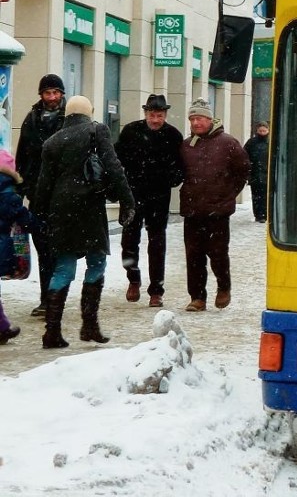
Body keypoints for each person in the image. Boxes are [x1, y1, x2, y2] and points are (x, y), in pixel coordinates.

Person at [33, 95, 135, 349]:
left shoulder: (52, 142)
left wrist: (40, 216)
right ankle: (89, 325)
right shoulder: (96, 130)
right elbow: (114, 167)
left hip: (61, 209)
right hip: (89, 207)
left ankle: (52, 331)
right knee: (96, 261)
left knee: (64, 268)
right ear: (89, 112)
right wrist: (127, 201)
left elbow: (43, 184)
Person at [179, 98, 250, 311]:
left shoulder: (228, 143)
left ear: (210, 119)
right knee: (194, 256)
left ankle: (223, 287)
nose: (195, 123)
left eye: (199, 118)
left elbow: (243, 170)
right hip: (192, 210)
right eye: (192, 119)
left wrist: (229, 195)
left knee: (218, 253)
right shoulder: (185, 145)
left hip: (217, 211)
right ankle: (198, 297)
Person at [115, 94, 184, 308]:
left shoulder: (173, 135)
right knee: (129, 241)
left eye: (160, 115)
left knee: (157, 243)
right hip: (133, 195)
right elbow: (117, 160)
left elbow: (180, 165)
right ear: (145, 114)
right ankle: (133, 279)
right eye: (152, 115)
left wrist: (173, 178)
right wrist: (119, 186)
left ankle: (156, 290)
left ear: (165, 115)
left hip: (159, 197)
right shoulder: (131, 131)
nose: (155, 120)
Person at [15, 73, 66, 317]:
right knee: (43, 247)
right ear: (41, 95)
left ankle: (56, 297)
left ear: (62, 94)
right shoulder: (32, 120)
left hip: (65, 194)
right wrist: (23, 185)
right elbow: (22, 155)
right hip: (38, 194)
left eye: (56, 93)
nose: (52, 97)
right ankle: (47, 298)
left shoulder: (70, 119)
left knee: (60, 249)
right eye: (48, 93)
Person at [0, 150, 37, 344]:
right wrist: (41, 227)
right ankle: (2, 328)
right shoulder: (8, 194)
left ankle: (3, 327)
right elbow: (22, 216)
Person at [243, 121, 269, 223]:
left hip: (267, 174)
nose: (262, 132)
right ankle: (259, 215)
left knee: (267, 196)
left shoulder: (271, 142)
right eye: (260, 131)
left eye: (264, 130)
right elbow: (244, 156)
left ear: (268, 130)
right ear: (257, 131)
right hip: (255, 174)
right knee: (257, 196)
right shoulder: (251, 142)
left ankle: (266, 214)